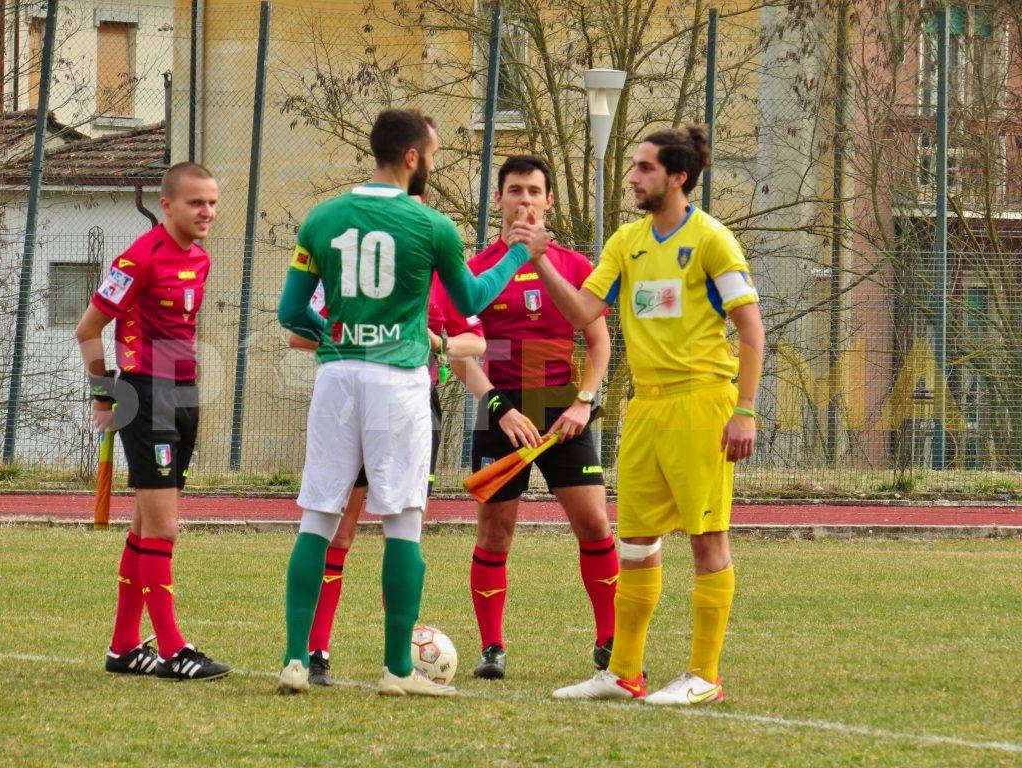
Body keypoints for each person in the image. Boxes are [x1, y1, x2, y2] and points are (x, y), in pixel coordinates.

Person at [275, 109, 539, 695]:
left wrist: (339, 333)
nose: (435, 165)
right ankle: (398, 671)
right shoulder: (432, 226)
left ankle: (296, 659)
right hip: (398, 381)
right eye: (435, 155)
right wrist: (519, 256)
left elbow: (291, 314)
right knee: (403, 523)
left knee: (318, 515)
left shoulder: (321, 218)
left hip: (338, 377)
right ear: (414, 158)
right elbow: (471, 294)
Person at [517, 126, 764, 704]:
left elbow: (751, 330)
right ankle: (623, 673)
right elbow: (584, 310)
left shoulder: (712, 241)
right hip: (646, 407)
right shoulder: (626, 241)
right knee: (636, 540)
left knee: (707, 537)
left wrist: (745, 411)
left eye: (646, 168)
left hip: (703, 403)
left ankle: (704, 675)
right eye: (634, 166)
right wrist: (541, 260)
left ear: (678, 177)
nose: (633, 177)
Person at [447, 155, 617, 680]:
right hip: (502, 407)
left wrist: (583, 401)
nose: (524, 199)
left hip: (559, 402)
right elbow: (459, 354)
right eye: (514, 190)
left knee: (594, 524)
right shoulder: (475, 270)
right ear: (497, 200)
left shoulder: (571, 265)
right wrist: (498, 407)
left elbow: (598, 341)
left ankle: (611, 639)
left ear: (547, 201)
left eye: (534, 191)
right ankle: (492, 648)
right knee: (495, 532)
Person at [290, 265, 485, 687]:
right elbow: (298, 331)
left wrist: (437, 341)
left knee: (402, 531)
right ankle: (316, 651)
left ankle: (398, 653)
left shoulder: (434, 264)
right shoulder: (349, 260)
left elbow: (475, 341)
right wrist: (359, 341)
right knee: (341, 532)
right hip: (357, 398)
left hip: (412, 406)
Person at [76, 161, 231, 681]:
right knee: (165, 527)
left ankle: (123, 647)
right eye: (195, 203)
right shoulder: (138, 258)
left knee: (146, 524)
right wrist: (105, 393)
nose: (206, 211)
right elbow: (88, 329)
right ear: (166, 206)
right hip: (144, 396)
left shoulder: (201, 259)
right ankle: (172, 649)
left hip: (184, 394)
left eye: (211, 201)